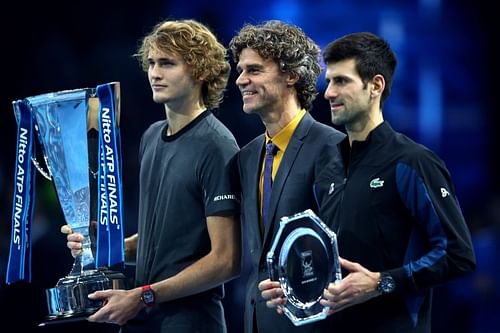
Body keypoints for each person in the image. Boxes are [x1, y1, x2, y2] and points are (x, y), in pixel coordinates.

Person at [261, 31, 476, 332]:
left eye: (342, 81)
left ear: (376, 85)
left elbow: (458, 254)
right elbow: (327, 258)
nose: (328, 93)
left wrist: (380, 282)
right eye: (329, 81)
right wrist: (294, 286)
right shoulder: (326, 165)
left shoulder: (412, 161)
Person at [62, 19, 241, 332]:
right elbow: (169, 240)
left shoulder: (217, 145)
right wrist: (107, 245)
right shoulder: (152, 136)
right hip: (142, 318)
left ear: (199, 71)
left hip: (191, 322)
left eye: (168, 63)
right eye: (151, 63)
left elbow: (226, 259)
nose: (155, 73)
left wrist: (144, 296)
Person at [229, 20, 345, 333]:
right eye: (240, 70)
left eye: (253, 70)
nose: (240, 80)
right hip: (256, 321)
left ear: (291, 75)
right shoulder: (247, 156)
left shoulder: (332, 147)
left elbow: (343, 246)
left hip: (313, 323)